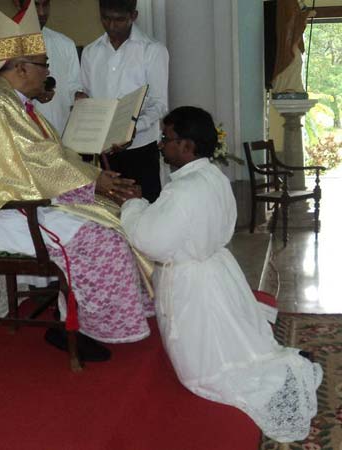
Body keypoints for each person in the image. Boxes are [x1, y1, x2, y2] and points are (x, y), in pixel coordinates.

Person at [0, 0, 155, 362]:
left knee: (116, 217)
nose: (47, 73)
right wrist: (94, 182)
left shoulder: (14, 102)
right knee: (103, 239)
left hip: (33, 205)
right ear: (21, 67)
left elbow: (50, 156)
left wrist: (99, 181)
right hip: (11, 213)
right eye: (44, 65)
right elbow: (38, 162)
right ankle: (80, 326)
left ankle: (76, 319)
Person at [117, 106, 322, 442]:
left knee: (202, 371)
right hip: (215, 271)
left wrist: (133, 205)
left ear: (187, 145)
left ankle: (275, 376)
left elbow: (151, 241)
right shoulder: (213, 177)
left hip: (190, 284)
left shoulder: (182, 190)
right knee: (233, 340)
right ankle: (282, 368)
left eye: (166, 138)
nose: (161, 145)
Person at [81, 0, 169, 203]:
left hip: (140, 149)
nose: (112, 26)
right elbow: (87, 97)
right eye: (106, 18)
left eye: (119, 20)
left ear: (133, 16)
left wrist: (134, 128)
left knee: (144, 206)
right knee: (110, 209)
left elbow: (159, 104)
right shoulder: (91, 52)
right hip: (104, 151)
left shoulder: (152, 50)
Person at [0, 0, 86, 134]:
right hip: (18, 135)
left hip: (60, 132)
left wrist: (78, 96)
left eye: (45, 4)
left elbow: (74, 87)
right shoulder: (0, 46)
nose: (41, 12)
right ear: (18, 4)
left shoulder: (65, 44)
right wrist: (32, 93)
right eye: (35, 5)